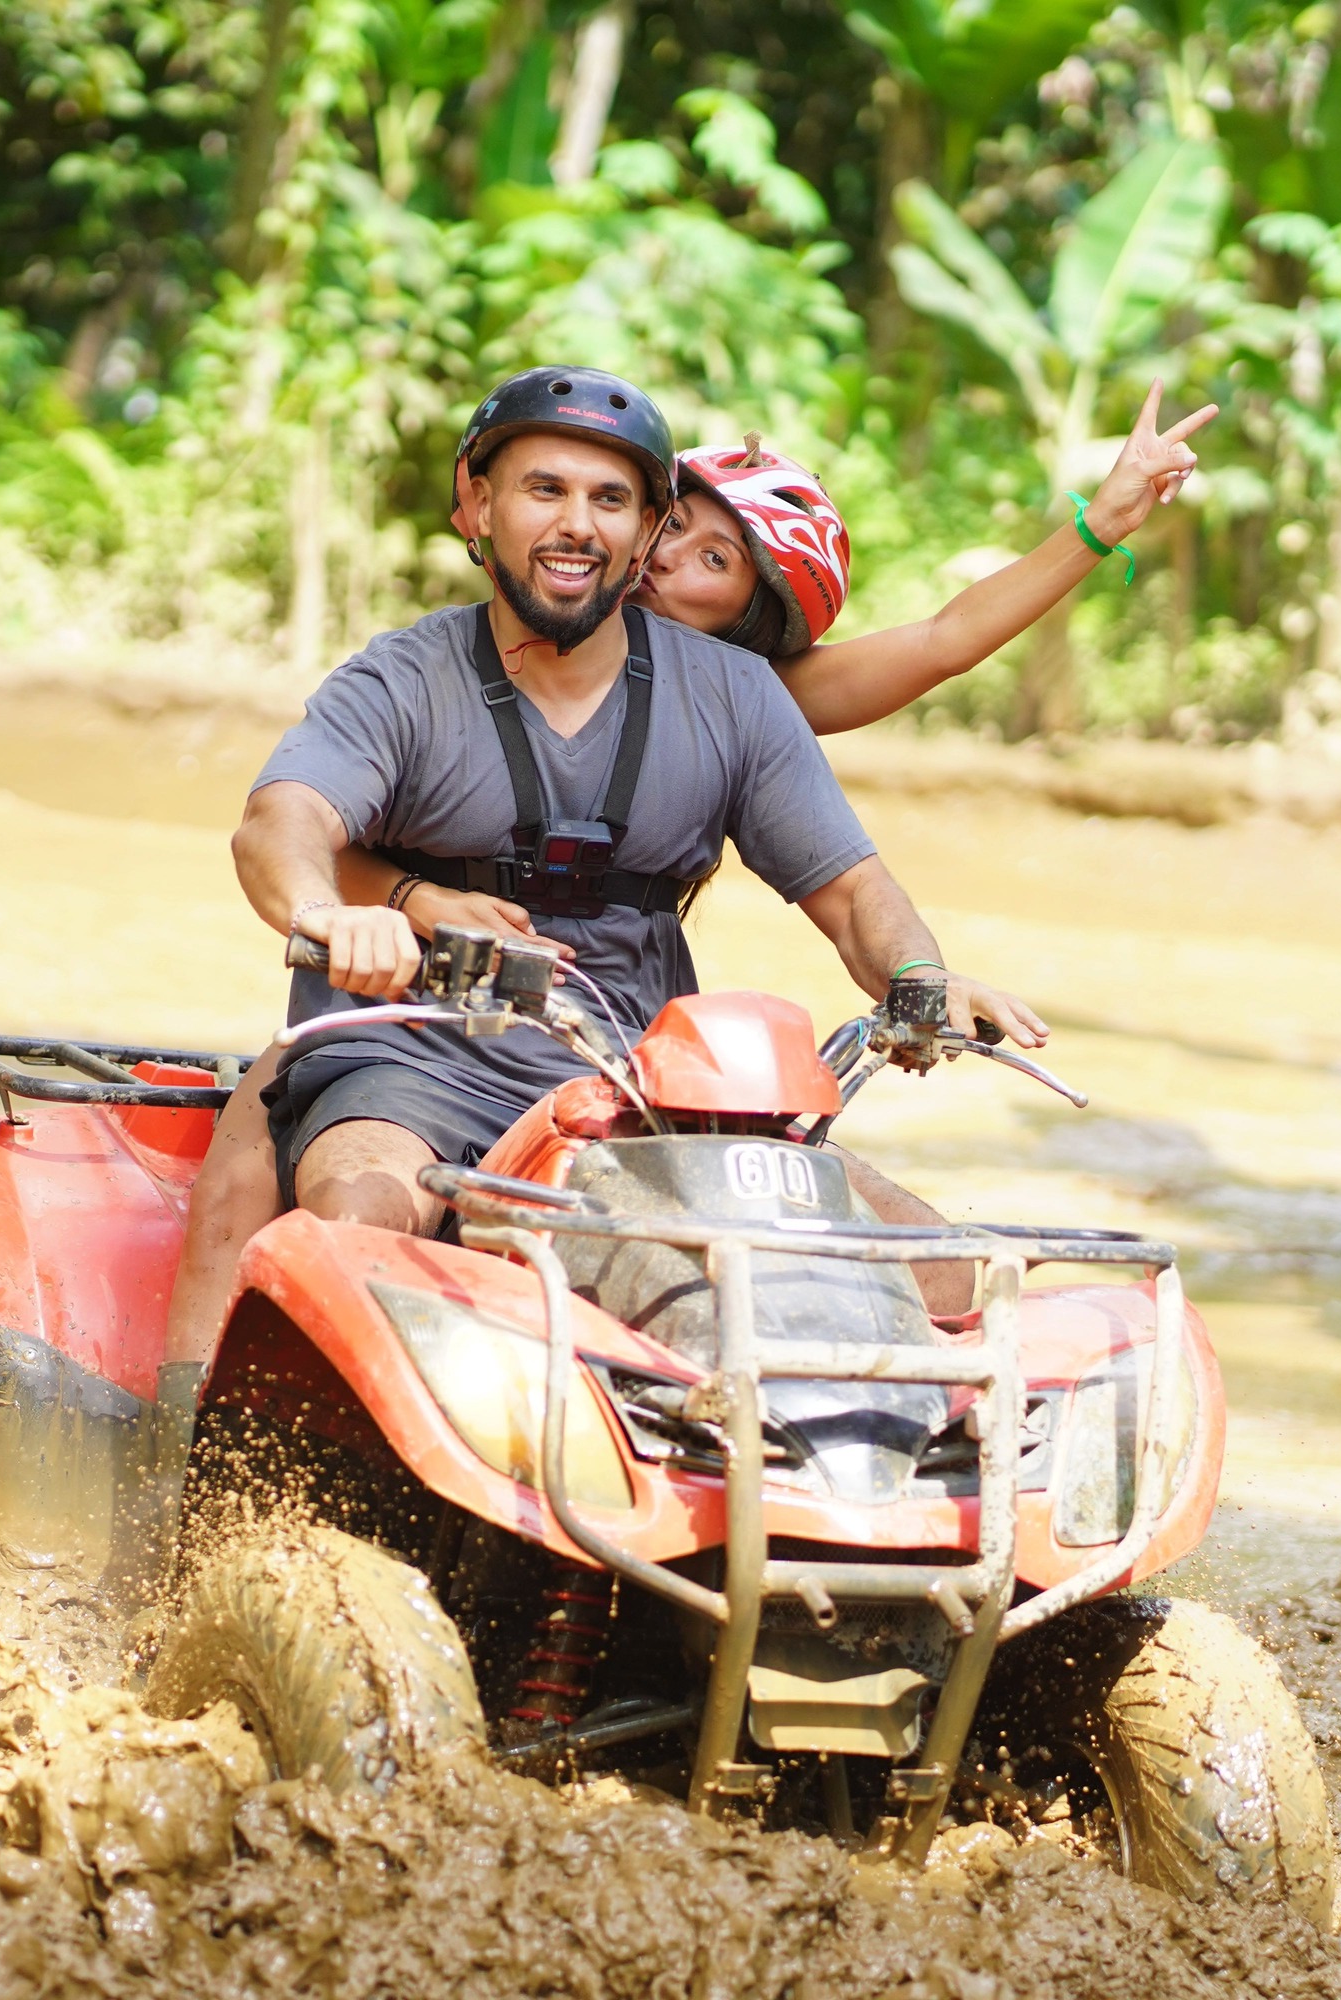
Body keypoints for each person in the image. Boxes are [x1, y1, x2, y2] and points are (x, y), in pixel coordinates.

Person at [157, 375, 1214, 1385]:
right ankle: (196, 1451)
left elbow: (852, 888)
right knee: (345, 1199)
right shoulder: (403, 678)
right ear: (476, 505)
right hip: (415, 1047)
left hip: (636, 1073)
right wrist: (337, 915)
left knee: (954, 1265)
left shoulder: (742, 694)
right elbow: (281, 819)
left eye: (611, 499)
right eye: (547, 490)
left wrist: (920, 977)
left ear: (640, 523)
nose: (582, 524)